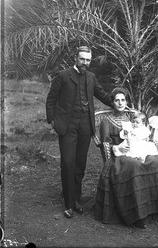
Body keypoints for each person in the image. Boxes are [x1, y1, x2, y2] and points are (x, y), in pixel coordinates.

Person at [95, 87, 158, 228]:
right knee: (134, 165)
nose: (120, 103)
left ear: (126, 101)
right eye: (117, 100)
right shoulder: (106, 121)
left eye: (123, 100)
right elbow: (105, 144)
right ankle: (138, 215)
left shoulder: (133, 117)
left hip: (138, 150)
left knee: (154, 161)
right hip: (119, 155)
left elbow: (144, 132)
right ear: (112, 102)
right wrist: (118, 149)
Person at [46, 46, 112, 219]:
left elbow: (102, 94)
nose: (85, 63)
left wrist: (119, 103)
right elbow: (51, 99)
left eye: (88, 60)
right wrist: (52, 120)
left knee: (79, 164)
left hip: (85, 126)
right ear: (76, 58)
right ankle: (68, 204)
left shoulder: (91, 77)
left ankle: (76, 200)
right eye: (82, 59)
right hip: (67, 126)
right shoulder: (63, 75)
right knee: (68, 163)